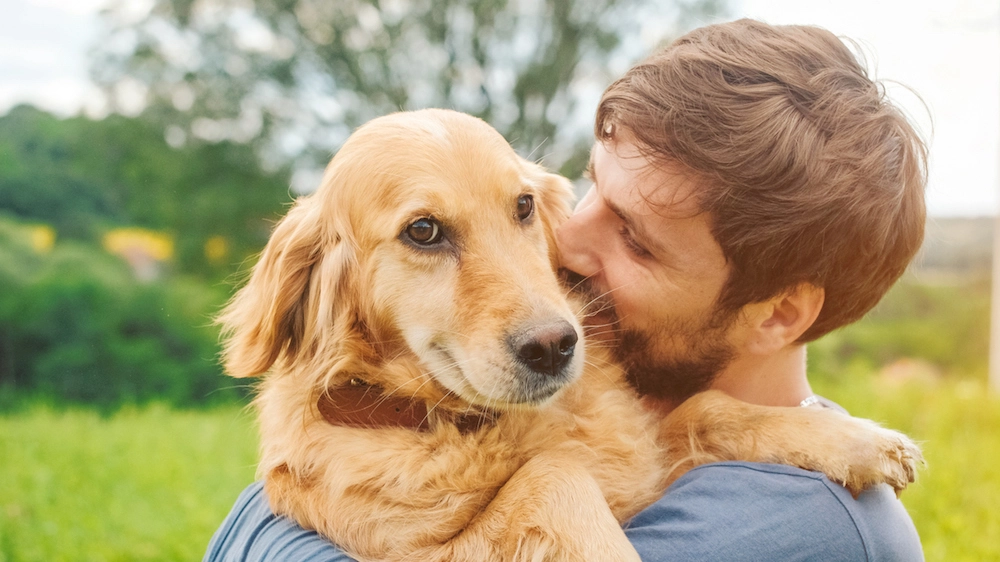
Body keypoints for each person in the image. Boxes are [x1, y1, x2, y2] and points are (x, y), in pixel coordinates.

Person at [204, 19, 926, 561]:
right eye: (583, 196)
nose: (562, 249)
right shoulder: (386, 420)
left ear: (779, 315)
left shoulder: (801, 527)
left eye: (637, 239)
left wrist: (552, 490)